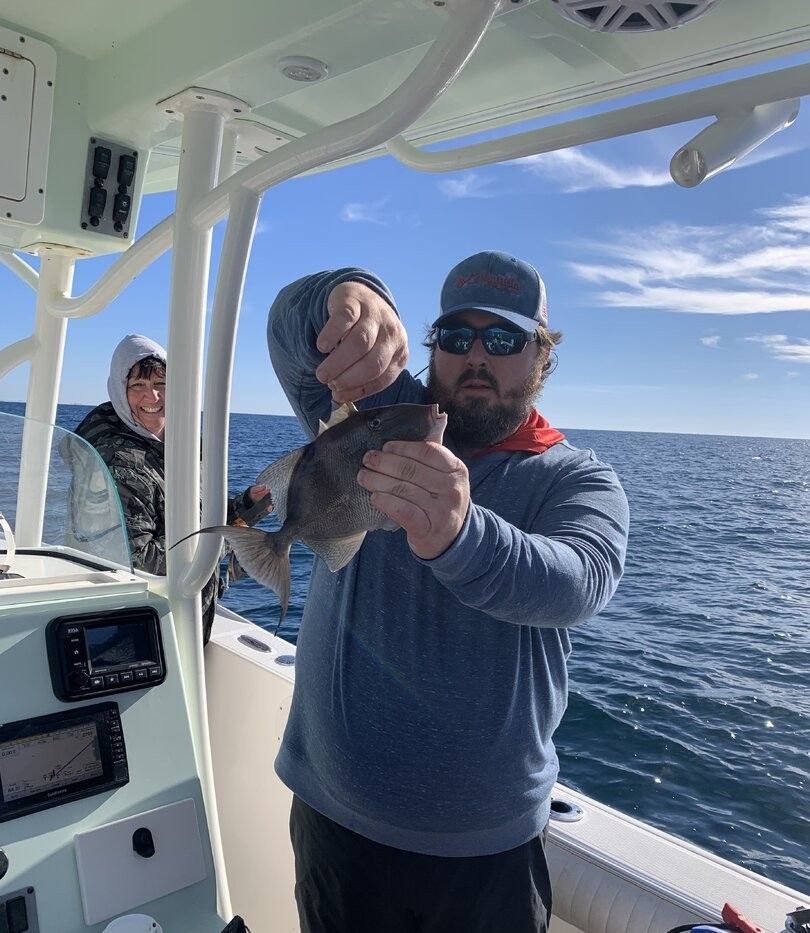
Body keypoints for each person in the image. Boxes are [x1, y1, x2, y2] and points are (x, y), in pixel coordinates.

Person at [266, 251, 630, 933]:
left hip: (484, 853)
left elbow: (578, 579)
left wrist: (461, 534)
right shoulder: (373, 416)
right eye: (457, 337)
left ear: (542, 356)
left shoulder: (576, 480)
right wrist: (345, 295)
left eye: (504, 339)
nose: (476, 357)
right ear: (432, 346)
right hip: (333, 825)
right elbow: (290, 336)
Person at [69, 334, 268, 643]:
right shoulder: (119, 462)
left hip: (184, 617)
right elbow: (139, 560)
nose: (153, 398)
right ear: (120, 392)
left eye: (161, 384)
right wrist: (226, 540)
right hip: (143, 630)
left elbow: (193, 515)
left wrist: (247, 507)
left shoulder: (181, 440)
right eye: (138, 386)